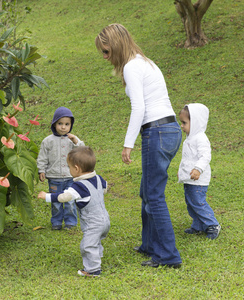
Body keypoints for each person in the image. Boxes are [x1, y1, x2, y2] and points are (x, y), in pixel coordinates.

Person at [95, 23, 182, 268]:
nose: (105, 58)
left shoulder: (132, 66)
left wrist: (128, 145)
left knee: (154, 196)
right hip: (170, 130)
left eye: (105, 51)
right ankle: (149, 245)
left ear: (115, 45)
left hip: (156, 132)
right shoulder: (145, 62)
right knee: (147, 191)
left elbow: (139, 108)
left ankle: (168, 256)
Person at [38, 146, 110, 277]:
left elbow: (63, 197)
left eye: (69, 167)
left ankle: (93, 270)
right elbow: (105, 188)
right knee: (96, 240)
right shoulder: (99, 179)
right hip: (105, 220)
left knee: (87, 245)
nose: (69, 170)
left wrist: (46, 196)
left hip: (93, 223)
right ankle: (97, 257)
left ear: (76, 169)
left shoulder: (78, 186)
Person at [37, 107, 84, 230]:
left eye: (67, 124)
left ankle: (70, 223)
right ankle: (56, 222)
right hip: (54, 177)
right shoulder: (47, 141)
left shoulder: (72, 141)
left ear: (71, 125)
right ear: (54, 124)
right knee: (56, 202)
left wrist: (76, 141)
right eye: (60, 123)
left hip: (70, 177)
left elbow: (82, 151)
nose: (63, 127)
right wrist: (41, 170)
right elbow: (42, 157)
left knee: (69, 201)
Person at [178, 103, 221, 239]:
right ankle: (198, 225)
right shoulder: (190, 138)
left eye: (184, 123)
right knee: (190, 202)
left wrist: (198, 169)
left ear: (195, 122)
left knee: (198, 202)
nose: (182, 126)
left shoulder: (201, 138)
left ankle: (212, 224)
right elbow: (187, 158)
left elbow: (205, 156)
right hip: (189, 178)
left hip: (198, 179)